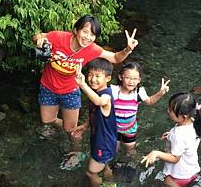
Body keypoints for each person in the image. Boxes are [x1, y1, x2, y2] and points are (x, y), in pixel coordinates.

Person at [32, 15, 138, 145]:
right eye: (85, 32)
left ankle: (75, 150)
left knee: (70, 130)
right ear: (76, 30)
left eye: (92, 35)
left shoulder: (91, 49)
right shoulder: (58, 37)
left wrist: (127, 49)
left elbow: (115, 58)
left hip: (70, 91)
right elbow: (37, 36)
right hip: (48, 87)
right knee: (47, 120)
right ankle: (69, 126)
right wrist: (39, 40)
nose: (88, 37)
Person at [141, 93, 201, 187]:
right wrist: (170, 135)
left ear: (183, 116)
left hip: (177, 177)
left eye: (171, 110)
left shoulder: (178, 135)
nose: (168, 111)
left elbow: (175, 158)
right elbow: (186, 142)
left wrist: (156, 153)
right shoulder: (195, 122)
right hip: (191, 171)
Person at [72, 58, 117, 187]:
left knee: (91, 172)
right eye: (90, 75)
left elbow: (100, 102)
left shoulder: (105, 96)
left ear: (108, 78)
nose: (93, 79)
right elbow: (95, 112)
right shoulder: (97, 93)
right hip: (106, 140)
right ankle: (109, 185)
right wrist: (86, 125)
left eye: (98, 76)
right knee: (105, 165)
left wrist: (83, 85)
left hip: (103, 143)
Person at [111, 62, 170, 157]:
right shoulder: (114, 90)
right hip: (113, 128)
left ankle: (131, 163)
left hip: (130, 129)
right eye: (128, 77)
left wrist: (160, 93)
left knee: (130, 150)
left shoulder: (139, 92)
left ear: (139, 80)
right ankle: (112, 163)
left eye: (135, 79)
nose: (131, 81)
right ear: (120, 77)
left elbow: (150, 101)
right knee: (113, 150)